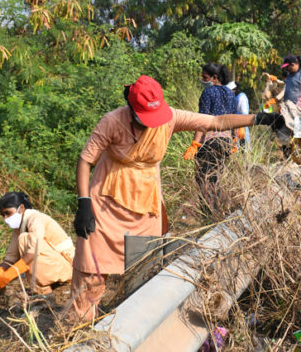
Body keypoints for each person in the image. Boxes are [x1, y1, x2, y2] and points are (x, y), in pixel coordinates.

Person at [71, 75, 284, 321]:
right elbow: (86, 160)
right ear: (131, 109)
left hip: (147, 204)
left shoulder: (169, 118)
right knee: (92, 267)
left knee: (144, 265)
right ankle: (81, 325)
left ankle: (133, 319)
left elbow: (215, 121)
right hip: (106, 201)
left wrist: (259, 118)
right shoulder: (112, 121)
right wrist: (84, 204)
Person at [0, 192, 74, 294]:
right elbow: (11, 257)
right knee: (23, 240)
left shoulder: (35, 219)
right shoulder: (19, 227)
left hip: (69, 267)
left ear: (22, 208)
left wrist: (9, 275)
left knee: (24, 240)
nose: (5, 218)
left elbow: (34, 250)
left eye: (8, 213)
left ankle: (43, 291)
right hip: (55, 264)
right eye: (3, 215)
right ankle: (42, 288)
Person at [182, 63, 238, 207]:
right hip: (226, 141)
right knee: (216, 177)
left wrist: (195, 143)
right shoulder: (231, 93)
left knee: (202, 178)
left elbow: (202, 119)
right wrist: (234, 139)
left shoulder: (208, 93)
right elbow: (235, 118)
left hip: (210, 140)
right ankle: (217, 208)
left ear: (214, 78)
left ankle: (207, 211)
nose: (202, 79)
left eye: (205, 77)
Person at [227, 81, 250, 147]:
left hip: (241, 125)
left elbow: (244, 114)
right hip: (234, 125)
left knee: (243, 146)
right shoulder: (234, 97)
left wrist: (242, 127)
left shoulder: (242, 97)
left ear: (234, 90)